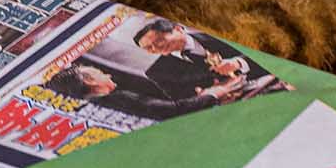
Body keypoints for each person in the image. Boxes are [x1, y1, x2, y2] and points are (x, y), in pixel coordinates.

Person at [131, 19, 270, 102]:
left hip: (268, 85)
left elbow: (266, 53)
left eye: (159, 40)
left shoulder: (216, 30)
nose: (156, 48)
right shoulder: (157, 72)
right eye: (149, 48)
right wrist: (208, 96)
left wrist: (239, 63)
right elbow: (186, 105)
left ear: (178, 29)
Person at [44, 63, 236, 120]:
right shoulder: (119, 98)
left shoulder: (92, 109)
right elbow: (174, 110)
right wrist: (215, 92)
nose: (109, 74)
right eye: (101, 73)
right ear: (91, 81)